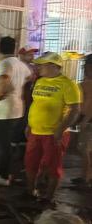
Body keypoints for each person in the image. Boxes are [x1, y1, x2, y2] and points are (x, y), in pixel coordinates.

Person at [25, 52, 82, 202]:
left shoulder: (68, 84)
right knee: (31, 163)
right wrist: (29, 124)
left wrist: (60, 129)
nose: (37, 67)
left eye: (41, 64)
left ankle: (48, 198)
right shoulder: (40, 81)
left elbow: (75, 110)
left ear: (53, 66)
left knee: (52, 166)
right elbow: (35, 104)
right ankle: (31, 191)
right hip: (35, 131)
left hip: (54, 134)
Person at [0, 37, 32, 186]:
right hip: (14, 110)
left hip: (0, 112)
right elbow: (30, 76)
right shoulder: (20, 64)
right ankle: (4, 170)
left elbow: (3, 78)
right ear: (15, 48)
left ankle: (3, 176)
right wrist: (17, 87)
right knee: (6, 143)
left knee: (2, 145)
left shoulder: (5, 63)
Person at [11, 46, 39, 159]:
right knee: (17, 126)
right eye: (29, 54)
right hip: (18, 102)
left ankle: (22, 152)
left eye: (33, 54)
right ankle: (13, 152)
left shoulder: (34, 68)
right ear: (21, 55)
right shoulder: (15, 68)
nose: (32, 56)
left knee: (25, 126)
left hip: (30, 102)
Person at [72, 54, 92, 188]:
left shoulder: (85, 84)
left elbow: (86, 105)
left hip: (89, 121)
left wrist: (84, 119)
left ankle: (87, 177)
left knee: (85, 149)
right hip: (88, 120)